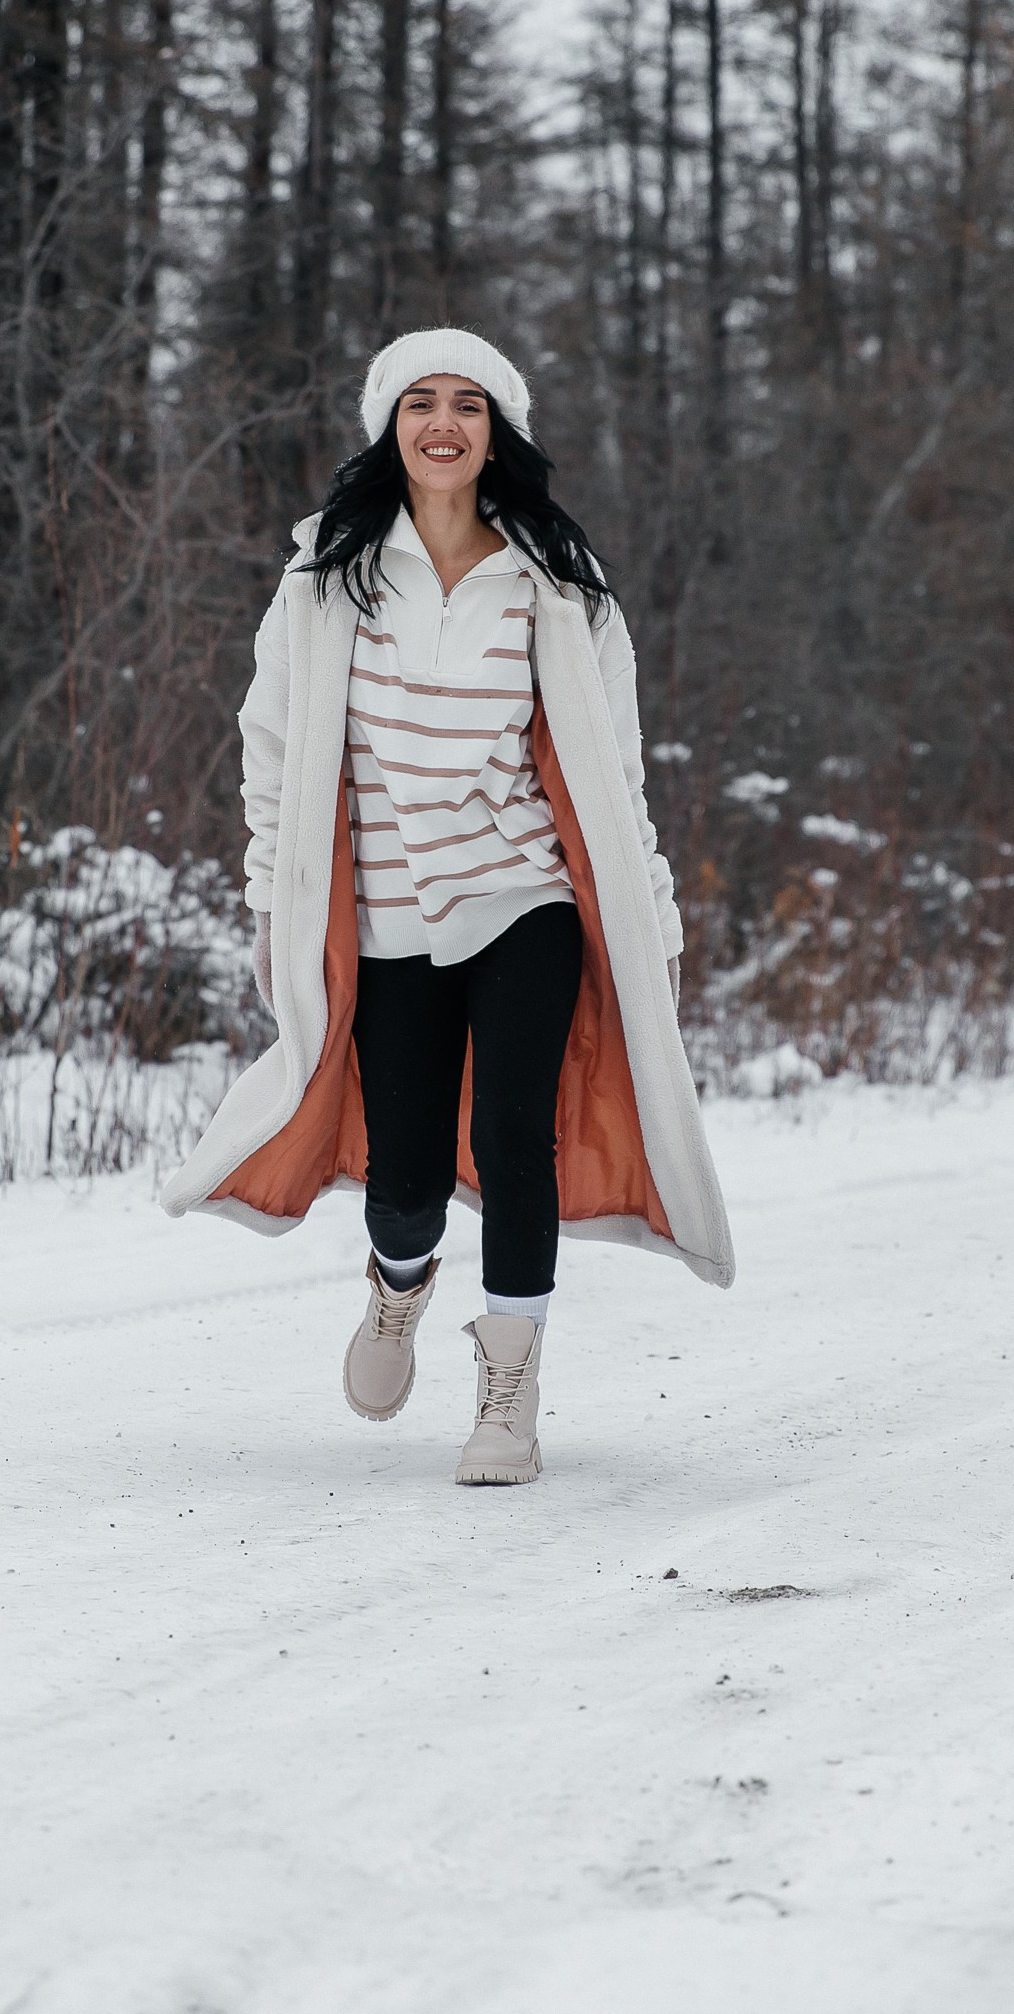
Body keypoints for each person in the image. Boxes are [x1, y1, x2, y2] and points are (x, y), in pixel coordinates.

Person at [161, 330, 734, 1486]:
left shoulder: (556, 583)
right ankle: (397, 1283)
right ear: (388, 424)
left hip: (525, 897)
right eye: (418, 400)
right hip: (386, 915)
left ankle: (508, 1395)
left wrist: (656, 917)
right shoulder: (325, 577)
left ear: (495, 429)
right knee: (408, 1176)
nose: (441, 422)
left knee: (516, 1137)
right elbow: (270, 744)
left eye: (466, 403)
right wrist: (271, 897)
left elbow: (615, 774)